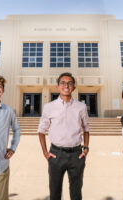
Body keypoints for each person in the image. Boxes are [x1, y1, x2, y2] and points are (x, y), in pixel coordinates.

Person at [38, 72, 90, 200]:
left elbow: (86, 129)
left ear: (74, 87)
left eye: (69, 83)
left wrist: (86, 148)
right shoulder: (49, 107)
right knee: (55, 191)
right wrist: (45, 152)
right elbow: (41, 130)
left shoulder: (81, 107)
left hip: (76, 154)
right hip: (56, 154)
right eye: (63, 83)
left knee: (76, 191)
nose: (66, 85)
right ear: (57, 87)